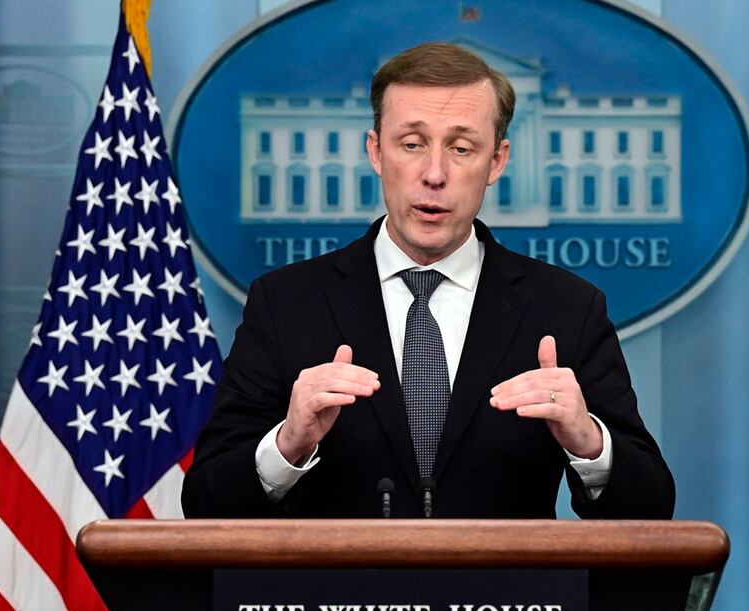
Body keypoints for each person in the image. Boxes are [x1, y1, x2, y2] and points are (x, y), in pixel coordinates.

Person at [181, 42, 674, 519]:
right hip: (336, 600)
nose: (433, 174)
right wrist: (288, 444)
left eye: (461, 148)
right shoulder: (286, 303)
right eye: (412, 144)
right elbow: (204, 503)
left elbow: (652, 506)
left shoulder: (566, 308)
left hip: (509, 601)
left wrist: (588, 442)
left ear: (496, 162)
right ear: (376, 151)